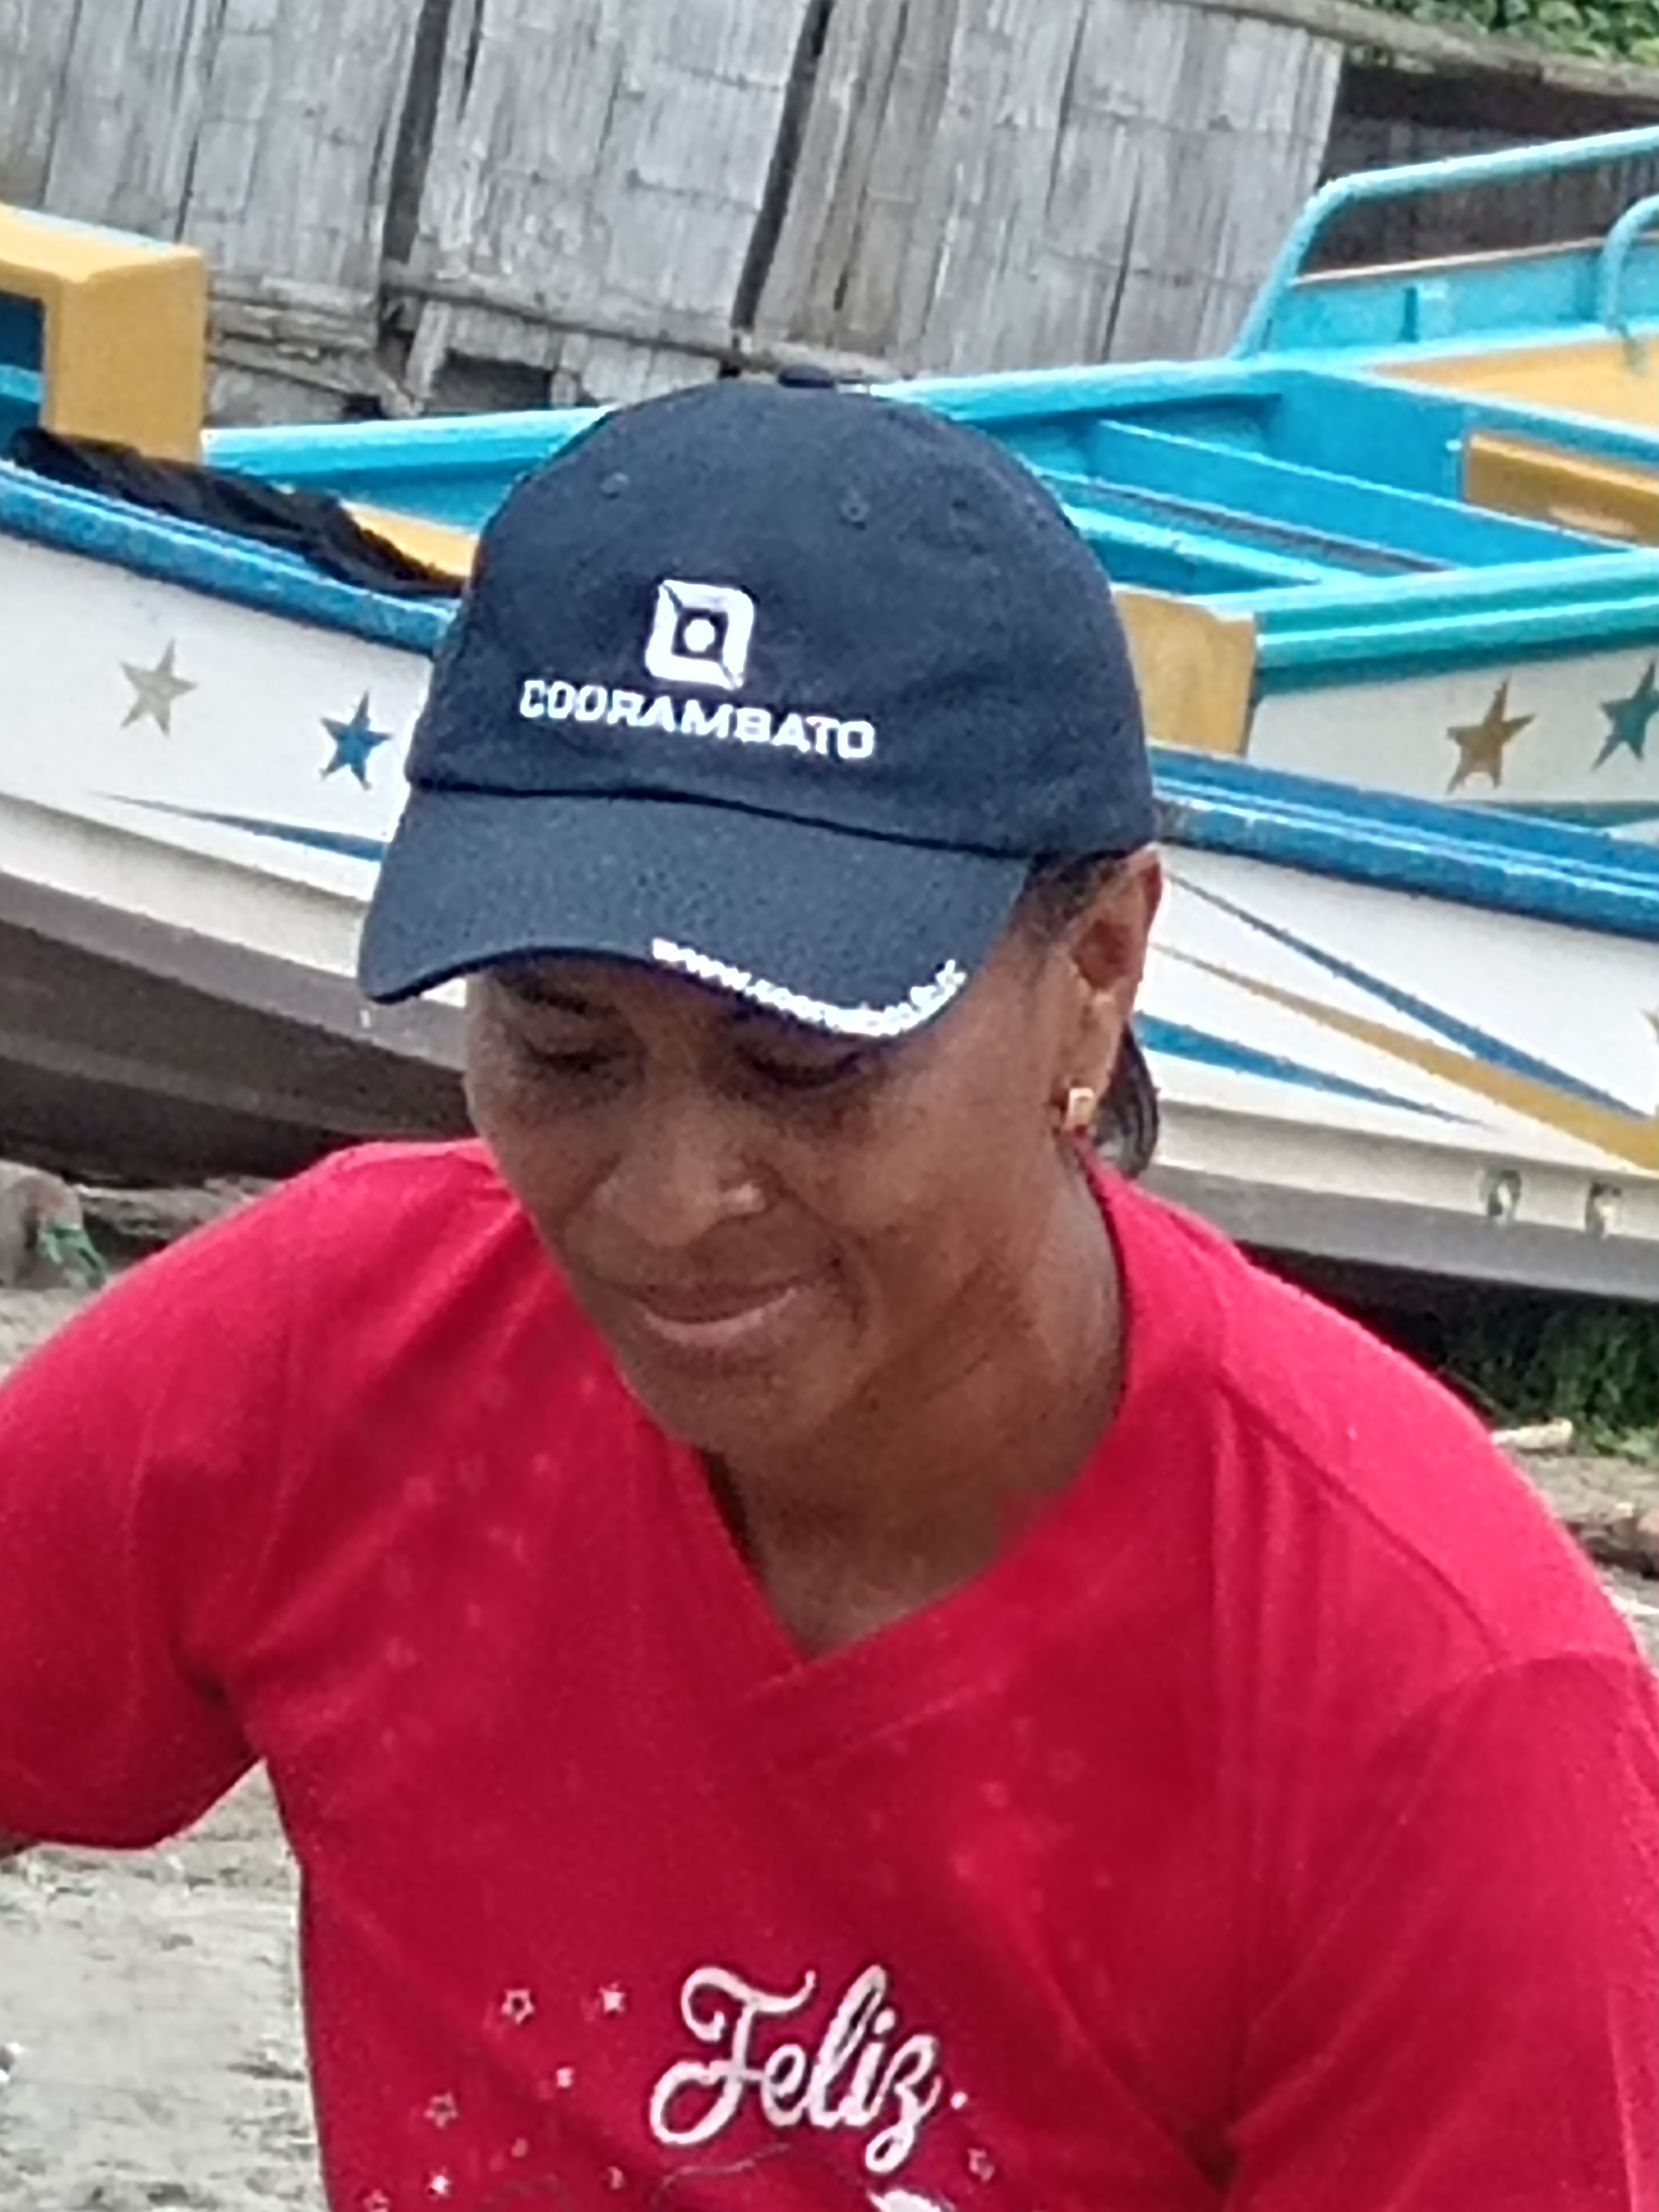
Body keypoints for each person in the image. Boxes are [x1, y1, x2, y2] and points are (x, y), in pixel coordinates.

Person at [1, 378, 1656, 2212]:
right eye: (562, 1043)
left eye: (805, 1061)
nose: (666, 1201)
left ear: (1100, 972)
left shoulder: (1434, 1710)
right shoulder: (337, 1351)